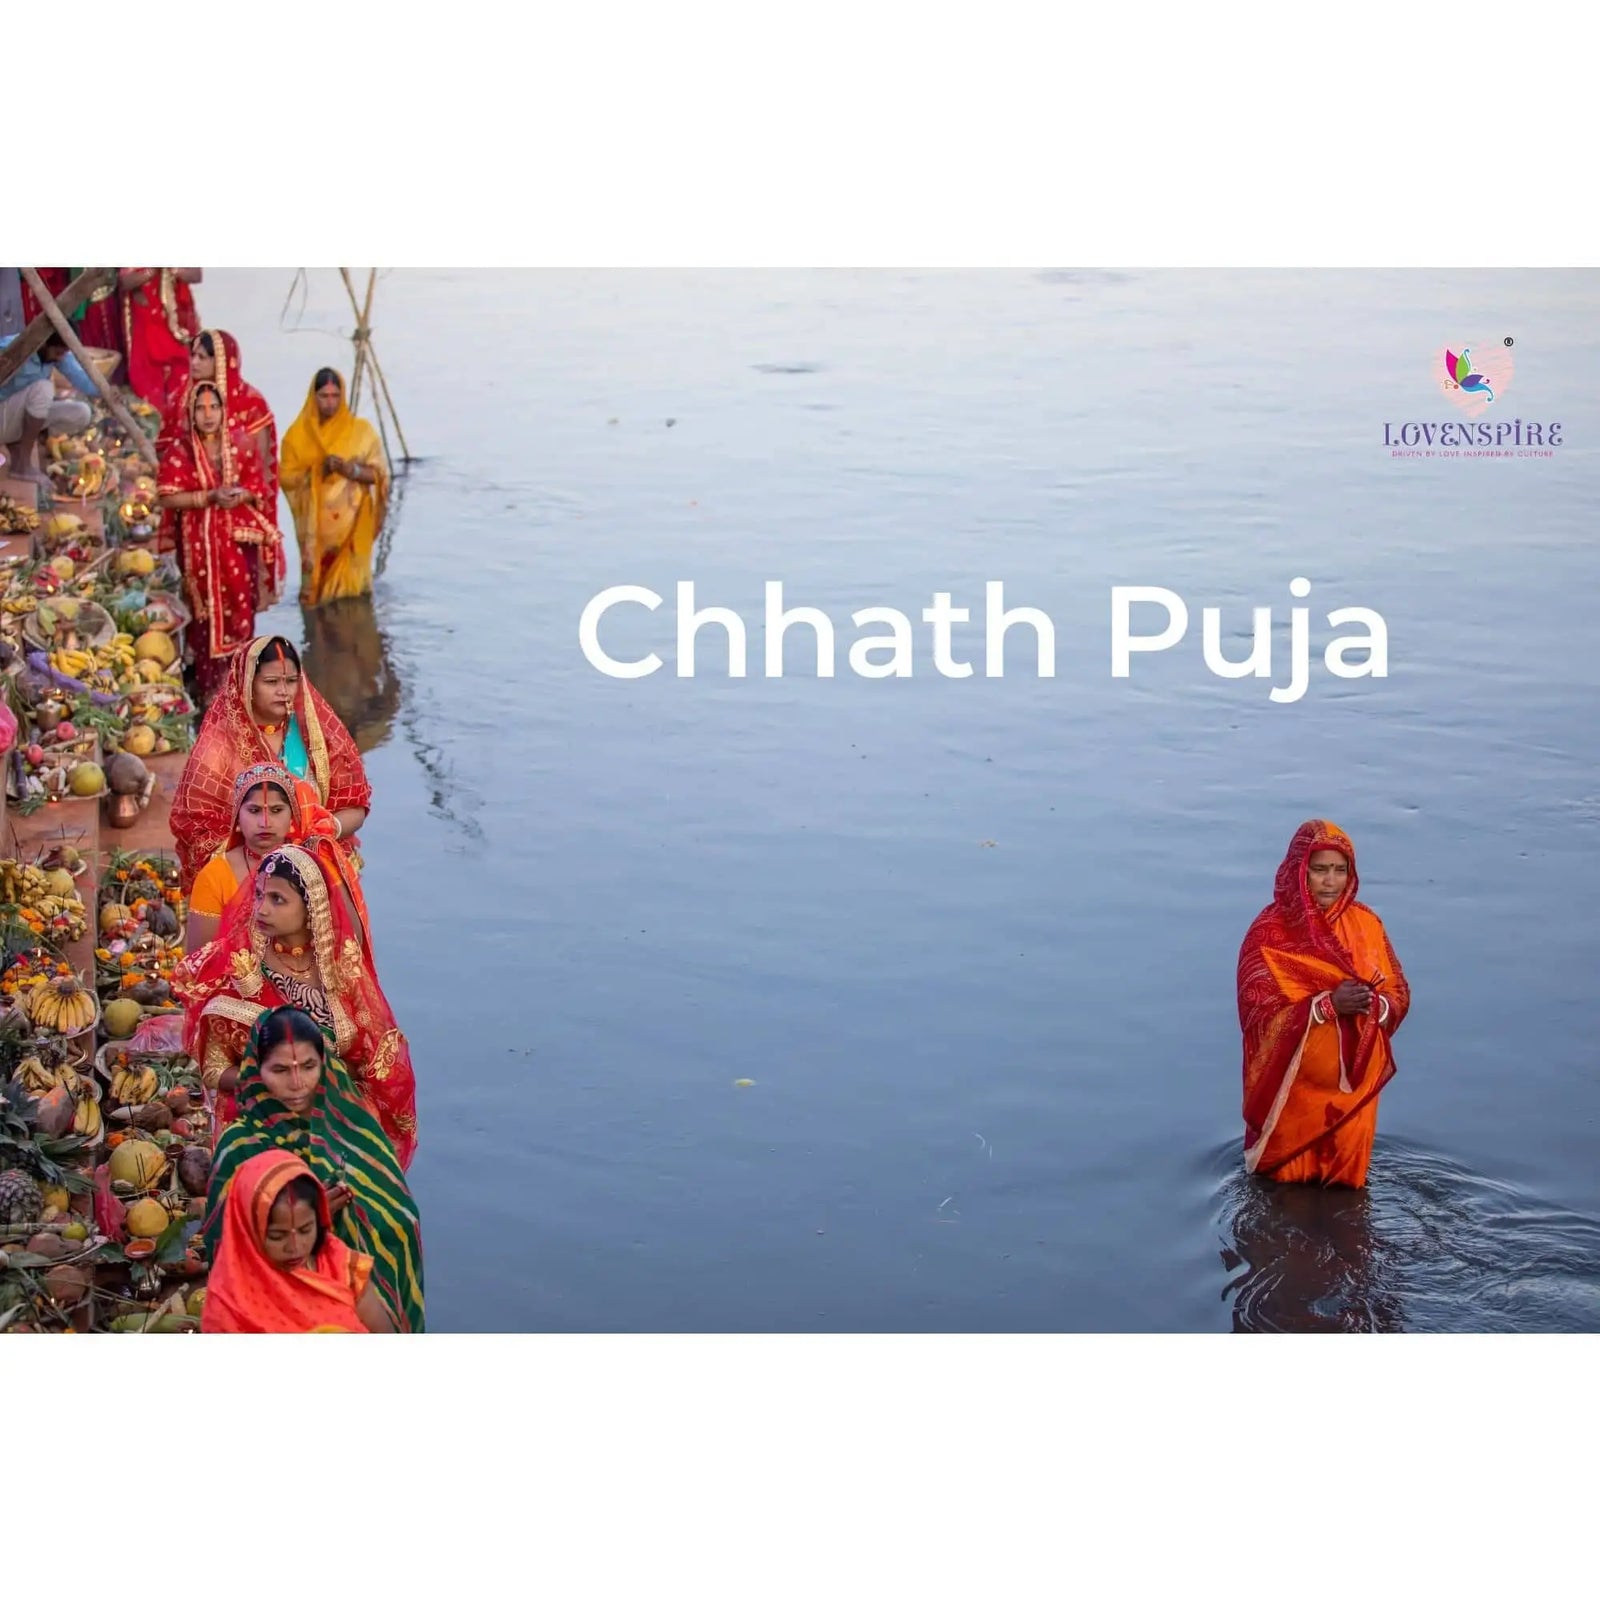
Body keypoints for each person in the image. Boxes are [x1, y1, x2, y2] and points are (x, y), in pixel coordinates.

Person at [177, 845, 417, 1168]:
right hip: (260, 1131)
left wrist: (337, 1098)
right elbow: (214, 1071)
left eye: (277, 899)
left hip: (336, 1127)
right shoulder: (239, 968)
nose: (261, 909)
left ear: (311, 907)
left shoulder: (341, 969)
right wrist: (276, 1084)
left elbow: (375, 1055)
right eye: (259, 895)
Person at [200, 1008, 423, 1332]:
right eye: (280, 1069)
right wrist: (310, 1220)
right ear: (255, 1069)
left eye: (308, 1067)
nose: (297, 1084)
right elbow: (226, 1248)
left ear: (325, 1064)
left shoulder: (356, 1128)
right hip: (269, 1307)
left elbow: (401, 1220)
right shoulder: (239, 1147)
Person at [1236, 819, 1410, 1188]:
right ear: (1300, 871)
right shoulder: (1270, 933)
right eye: (1319, 870)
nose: (1331, 881)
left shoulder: (1366, 924)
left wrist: (1371, 1003)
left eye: (1340, 870)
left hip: (1354, 1091)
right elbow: (1258, 1015)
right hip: (1293, 1094)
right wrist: (1327, 1005)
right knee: (1282, 1193)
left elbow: (1398, 993)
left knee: (1349, 1193)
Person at [170, 636, 371, 892]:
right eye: (271, 682)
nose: (283, 691)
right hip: (245, 885)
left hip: (318, 873)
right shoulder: (218, 745)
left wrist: (328, 828)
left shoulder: (318, 734)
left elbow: (355, 804)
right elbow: (195, 828)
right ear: (247, 684)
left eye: (290, 681)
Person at [156, 381, 282, 700]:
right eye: (201, 408)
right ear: (191, 412)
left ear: (224, 410)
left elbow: (260, 486)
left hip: (237, 546)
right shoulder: (180, 450)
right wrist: (208, 497)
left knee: (241, 606)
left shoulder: (239, 442)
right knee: (204, 617)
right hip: (197, 546)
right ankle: (209, 690)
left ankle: (239, 688)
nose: (209, 414)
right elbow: (167, 498)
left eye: (215, 407)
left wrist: (241, 494)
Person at [185, 761, 371, 954]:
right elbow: (199, 963)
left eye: (276, 810)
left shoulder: (315, 865)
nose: (265, 823)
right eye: (254, 810)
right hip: (238, 982)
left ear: (292, 816)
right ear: (237, 817)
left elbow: (351, 943)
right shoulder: (214, 876)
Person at [201, 1149, 394, 1333]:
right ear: (247, 1231)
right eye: (277, 1236)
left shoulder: (340, 1264)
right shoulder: (228, 1302)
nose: (295, 1248)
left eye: (305, 1230)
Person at [279, 368, 388, 606]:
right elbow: (286, 478)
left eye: (335, 395)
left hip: (353, 528)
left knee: (355, 598)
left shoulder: (361, 431)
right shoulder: (296, 436)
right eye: (324, 396)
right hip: (317, 532)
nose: (330, 402)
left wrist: (352, 471)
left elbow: (379, 475)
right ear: (313, 397)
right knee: (317, 599)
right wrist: (320, 471)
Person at [0, 331, 96, 483]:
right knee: (43, 389)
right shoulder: (13, 347)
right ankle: (22, 465)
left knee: (82, 413)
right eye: (57, 352)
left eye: (63, 354)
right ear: (44, 344)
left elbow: (87, 383)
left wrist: (110, 391)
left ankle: (19, 445)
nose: (60, 358)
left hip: (12, 419)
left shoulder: (56, 354)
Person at [120, 268, 201, 411]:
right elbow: (125, 282)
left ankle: (177, 423)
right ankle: (154, 424)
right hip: (146, 322)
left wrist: (173, 270)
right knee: (147, 382)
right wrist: (151, 271)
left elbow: (196, 275)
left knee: (182, 376)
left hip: (177, 324)